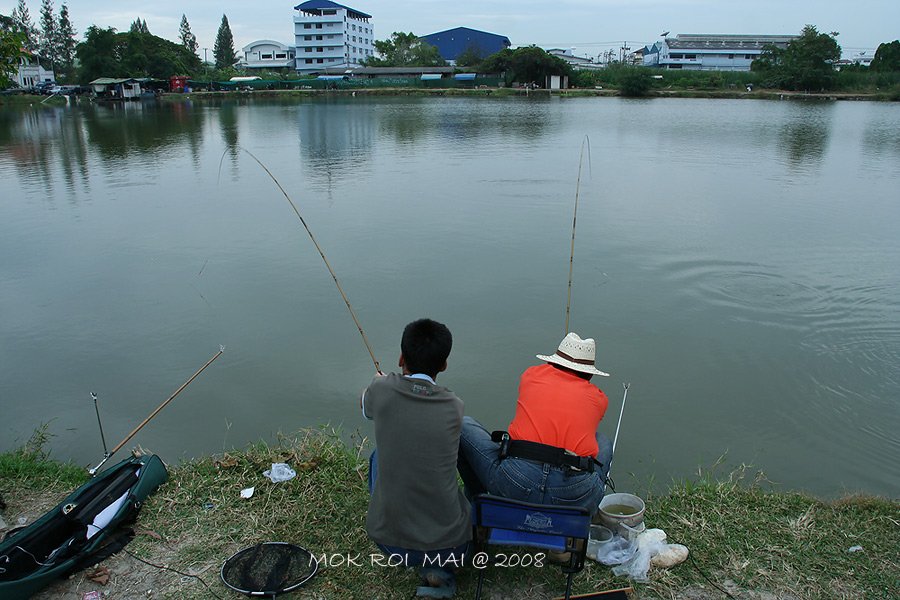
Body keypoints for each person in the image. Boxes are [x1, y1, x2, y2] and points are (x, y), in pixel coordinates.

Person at [361, 318, 470, 598]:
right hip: (449, 546)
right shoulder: (454, 407)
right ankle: (439, 573)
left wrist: (378, 381)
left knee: (377, 456)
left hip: (388, 542)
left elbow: (366, 405)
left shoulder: (381, 390)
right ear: (443, 365)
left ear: (400, 358)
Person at [457, 332, 613, 516]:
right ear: (589, 375)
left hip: (516, 482)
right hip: (572, 494)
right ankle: (590, 507)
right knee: (602, 442)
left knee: (465, 425)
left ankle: (475, 508)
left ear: (552, 362)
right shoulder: (599, 398)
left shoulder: (530, 375)